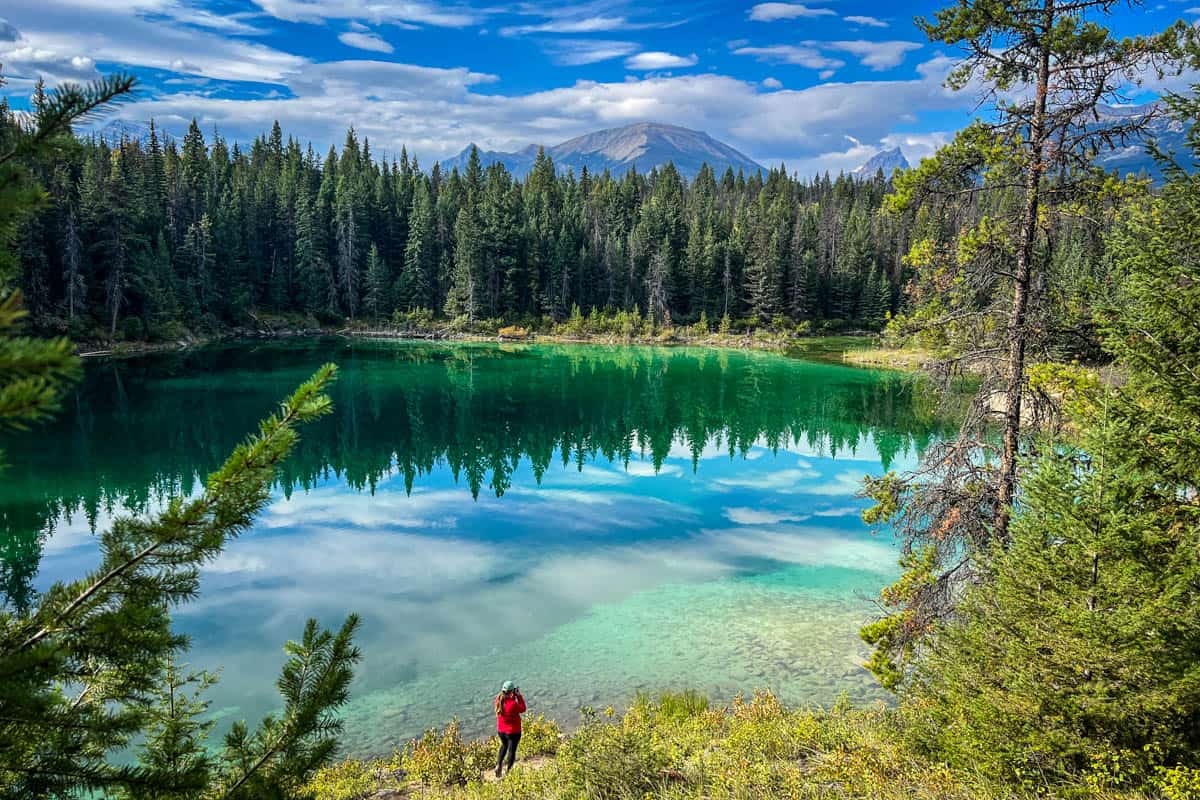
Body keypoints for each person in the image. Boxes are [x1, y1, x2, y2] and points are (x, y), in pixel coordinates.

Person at [494, 679, 526, 777]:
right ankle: (509, 772)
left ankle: (498, 765)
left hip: (501, 731)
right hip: (513, 732)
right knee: (511, 751)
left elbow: (507, 702)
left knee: (504, 746)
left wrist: (513, 696)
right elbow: (523, 708)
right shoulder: (513, 704)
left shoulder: (498, 700)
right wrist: (518, 696)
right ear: (512, 691)